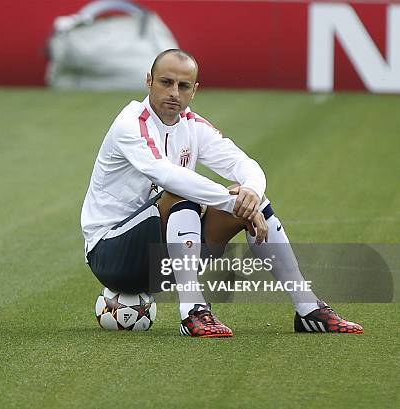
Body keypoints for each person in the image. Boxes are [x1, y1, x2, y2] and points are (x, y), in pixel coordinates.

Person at [80, 49, 363, 337]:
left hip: (161, 260)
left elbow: (244, 164)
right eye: (166, 82)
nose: (174, 93)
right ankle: (193, 312)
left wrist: (250, 192)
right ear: (148, 81)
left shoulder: (192, 125)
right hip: (111, 253)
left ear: (195, 90)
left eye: (183, 86)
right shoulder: (131, 123)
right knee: (182, 194)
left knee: (251, 200)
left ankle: (308, 309)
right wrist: (231, 202)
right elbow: (165, 174)